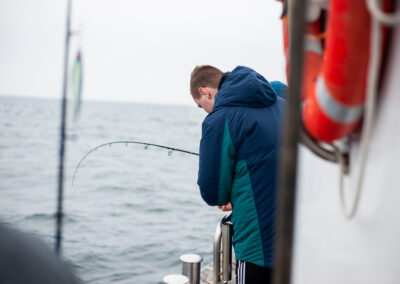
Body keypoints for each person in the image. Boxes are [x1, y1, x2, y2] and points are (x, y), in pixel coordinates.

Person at [190, 65, 286, 284]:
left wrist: (229, 196)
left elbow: (212, 191)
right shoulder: (282, 106)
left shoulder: (219, 119)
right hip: (295, 233)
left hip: (258, 245)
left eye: (200, 105)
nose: (204, 110)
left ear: (205, 91)